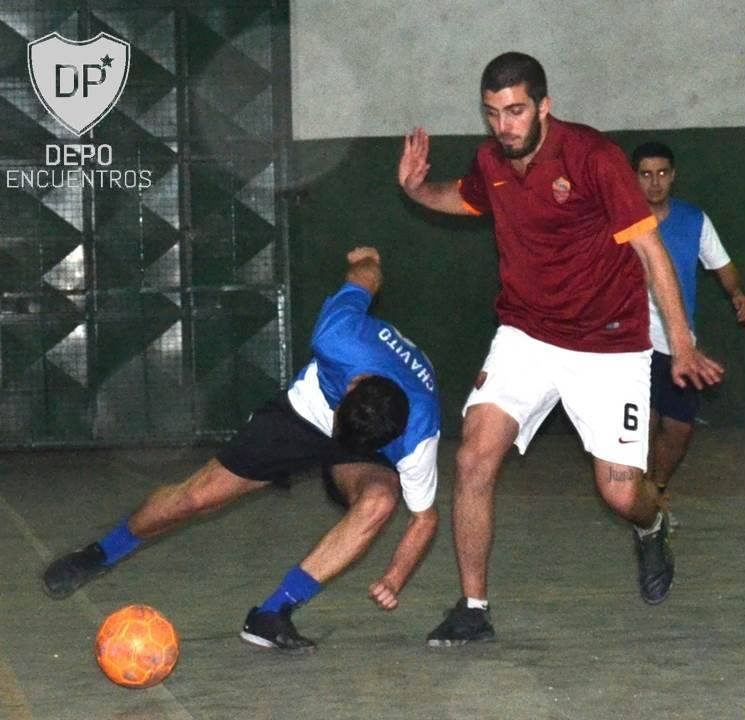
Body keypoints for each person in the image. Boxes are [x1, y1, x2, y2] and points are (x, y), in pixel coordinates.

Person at [397, 52, 724, 646]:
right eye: (493, 113)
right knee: (472, 458)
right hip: (526, 334)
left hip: (608, 343)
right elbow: (466, 198)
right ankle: (473, 607)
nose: (504, 126)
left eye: (516, 111)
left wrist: (680, 343)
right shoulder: (491, 160)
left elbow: (650, 251)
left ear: (544, 106)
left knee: (621, 491)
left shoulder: (593, 158)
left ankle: (653, 524)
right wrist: (418, 189)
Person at [43, 246, 441, 653]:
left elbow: (424, 518)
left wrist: (395, 577)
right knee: (197, 498)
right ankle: (100, 553)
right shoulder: (339, 336)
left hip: (363, 449)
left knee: (379, 500)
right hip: (302, 415)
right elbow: (366, 277)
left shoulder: (419, 432)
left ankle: (272, 613)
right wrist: (367, 258)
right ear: (353, 383)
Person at [632, 141, 745, 528]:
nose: (655, 182)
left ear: (673, 176)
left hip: (680, 346)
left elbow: (722, 265)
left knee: (678, 430)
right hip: (633, 346)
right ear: (634, 178)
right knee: (644, 424)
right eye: (646, 174)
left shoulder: (694, 220)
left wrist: (737, 293)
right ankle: (642, 499)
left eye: (662, 173)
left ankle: (656, 491)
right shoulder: (620, 222)